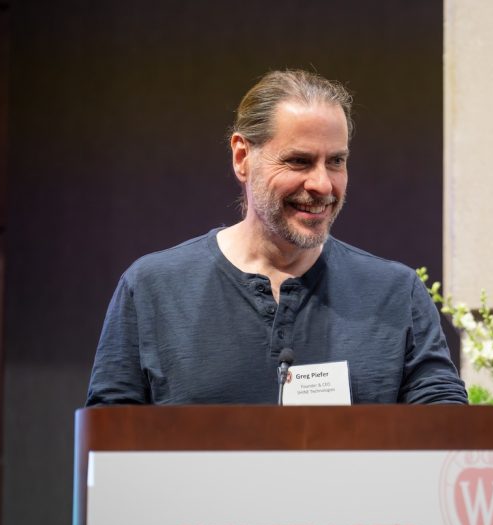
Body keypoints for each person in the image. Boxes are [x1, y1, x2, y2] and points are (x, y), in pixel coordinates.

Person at [85, 69, 467, 406]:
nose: (322, 184)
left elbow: (447, 436)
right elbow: (108, 449)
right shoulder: (153, 288)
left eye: (336, 161)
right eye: (299, 161)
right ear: (242, 157)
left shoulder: (395, 293)